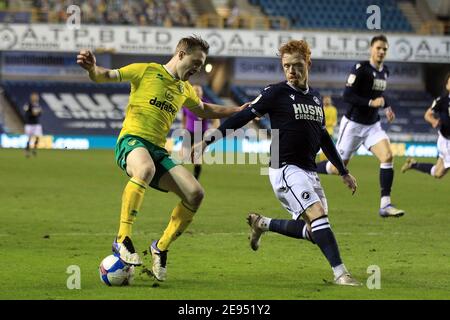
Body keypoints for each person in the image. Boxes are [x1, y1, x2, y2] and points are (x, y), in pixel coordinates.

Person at [77, 36, 245, 282]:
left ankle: (161, 247)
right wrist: (92, 68)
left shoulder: (184, 89)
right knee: (144, 169)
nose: (198, 68)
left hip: (158, 151)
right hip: (132, 141)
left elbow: (205, 109)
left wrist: (239, 110)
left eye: (202, 64)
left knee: (195, 193)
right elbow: (105, 75)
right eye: (195, 61)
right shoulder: (145, 71)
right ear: (180, 53)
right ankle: (122, 238)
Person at [193, 40, 360, 286]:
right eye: (286, 66)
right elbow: (242, 117)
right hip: (283, 166)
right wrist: (207, 141)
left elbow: (323, 136)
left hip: (308, 169)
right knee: (318, 215)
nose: (291, 71)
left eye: (296, 65)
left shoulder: (314, 98)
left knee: (316, 231)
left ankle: (263, 223)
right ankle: (341, 274)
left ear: (308, 64)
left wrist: (343, 171)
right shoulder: (276, 92)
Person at [316, 34, 405, 218]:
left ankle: (385, 205)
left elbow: (381, 94)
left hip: (373, 125)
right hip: (353, 125)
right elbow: (347, 95)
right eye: (378, 48)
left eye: (384, 49)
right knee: (335, 168)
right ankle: (307, 166)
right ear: (371, 49)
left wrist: (387, 107)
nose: (381, 51)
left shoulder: (384, 71)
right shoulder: (360, 69)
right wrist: (371, 103)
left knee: (387, 156)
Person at [401, 73, 450, 178]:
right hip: (446, 142)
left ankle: (413, 165)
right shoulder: (442, 101)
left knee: (437, 173)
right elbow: (427, 115)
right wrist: (434, 121)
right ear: (447, 86)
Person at [181, 84, 220, 180]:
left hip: (201, 134)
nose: (197, 92)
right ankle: (180, 177)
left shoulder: (206, 104)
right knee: (183, 156)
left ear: (202, 93)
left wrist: (211, 132)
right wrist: (183, 129)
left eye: (199, 91)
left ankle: (195, 179)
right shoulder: (187, 103)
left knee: (197, 158)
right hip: (189, 132)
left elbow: (216, 120)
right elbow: (184, 117)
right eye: (195, 90)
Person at [318, 95, 338, 161]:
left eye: (328, 99)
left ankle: (327, 161)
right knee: (322, 147)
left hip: (329, 131)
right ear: (323, 100)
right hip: (321, 131)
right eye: (325, 99)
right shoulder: (320, 108)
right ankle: (322, 161)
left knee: (327, 147)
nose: (326, 101)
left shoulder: (333, 109)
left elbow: (334, 122)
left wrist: (326, 124)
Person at [23, 92, 43, 157]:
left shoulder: (38, 105)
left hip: (36, 124)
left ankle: (34, 149)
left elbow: (39, 114)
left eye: (36, 96)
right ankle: (27, 150)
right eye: (34, 96)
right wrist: (32, 113)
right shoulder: (28, 104)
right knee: (29, 138)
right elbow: (26, 113)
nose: (36, 98)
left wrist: (39, 112)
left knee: (37, 137)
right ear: (31, 97)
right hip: (29, 124)